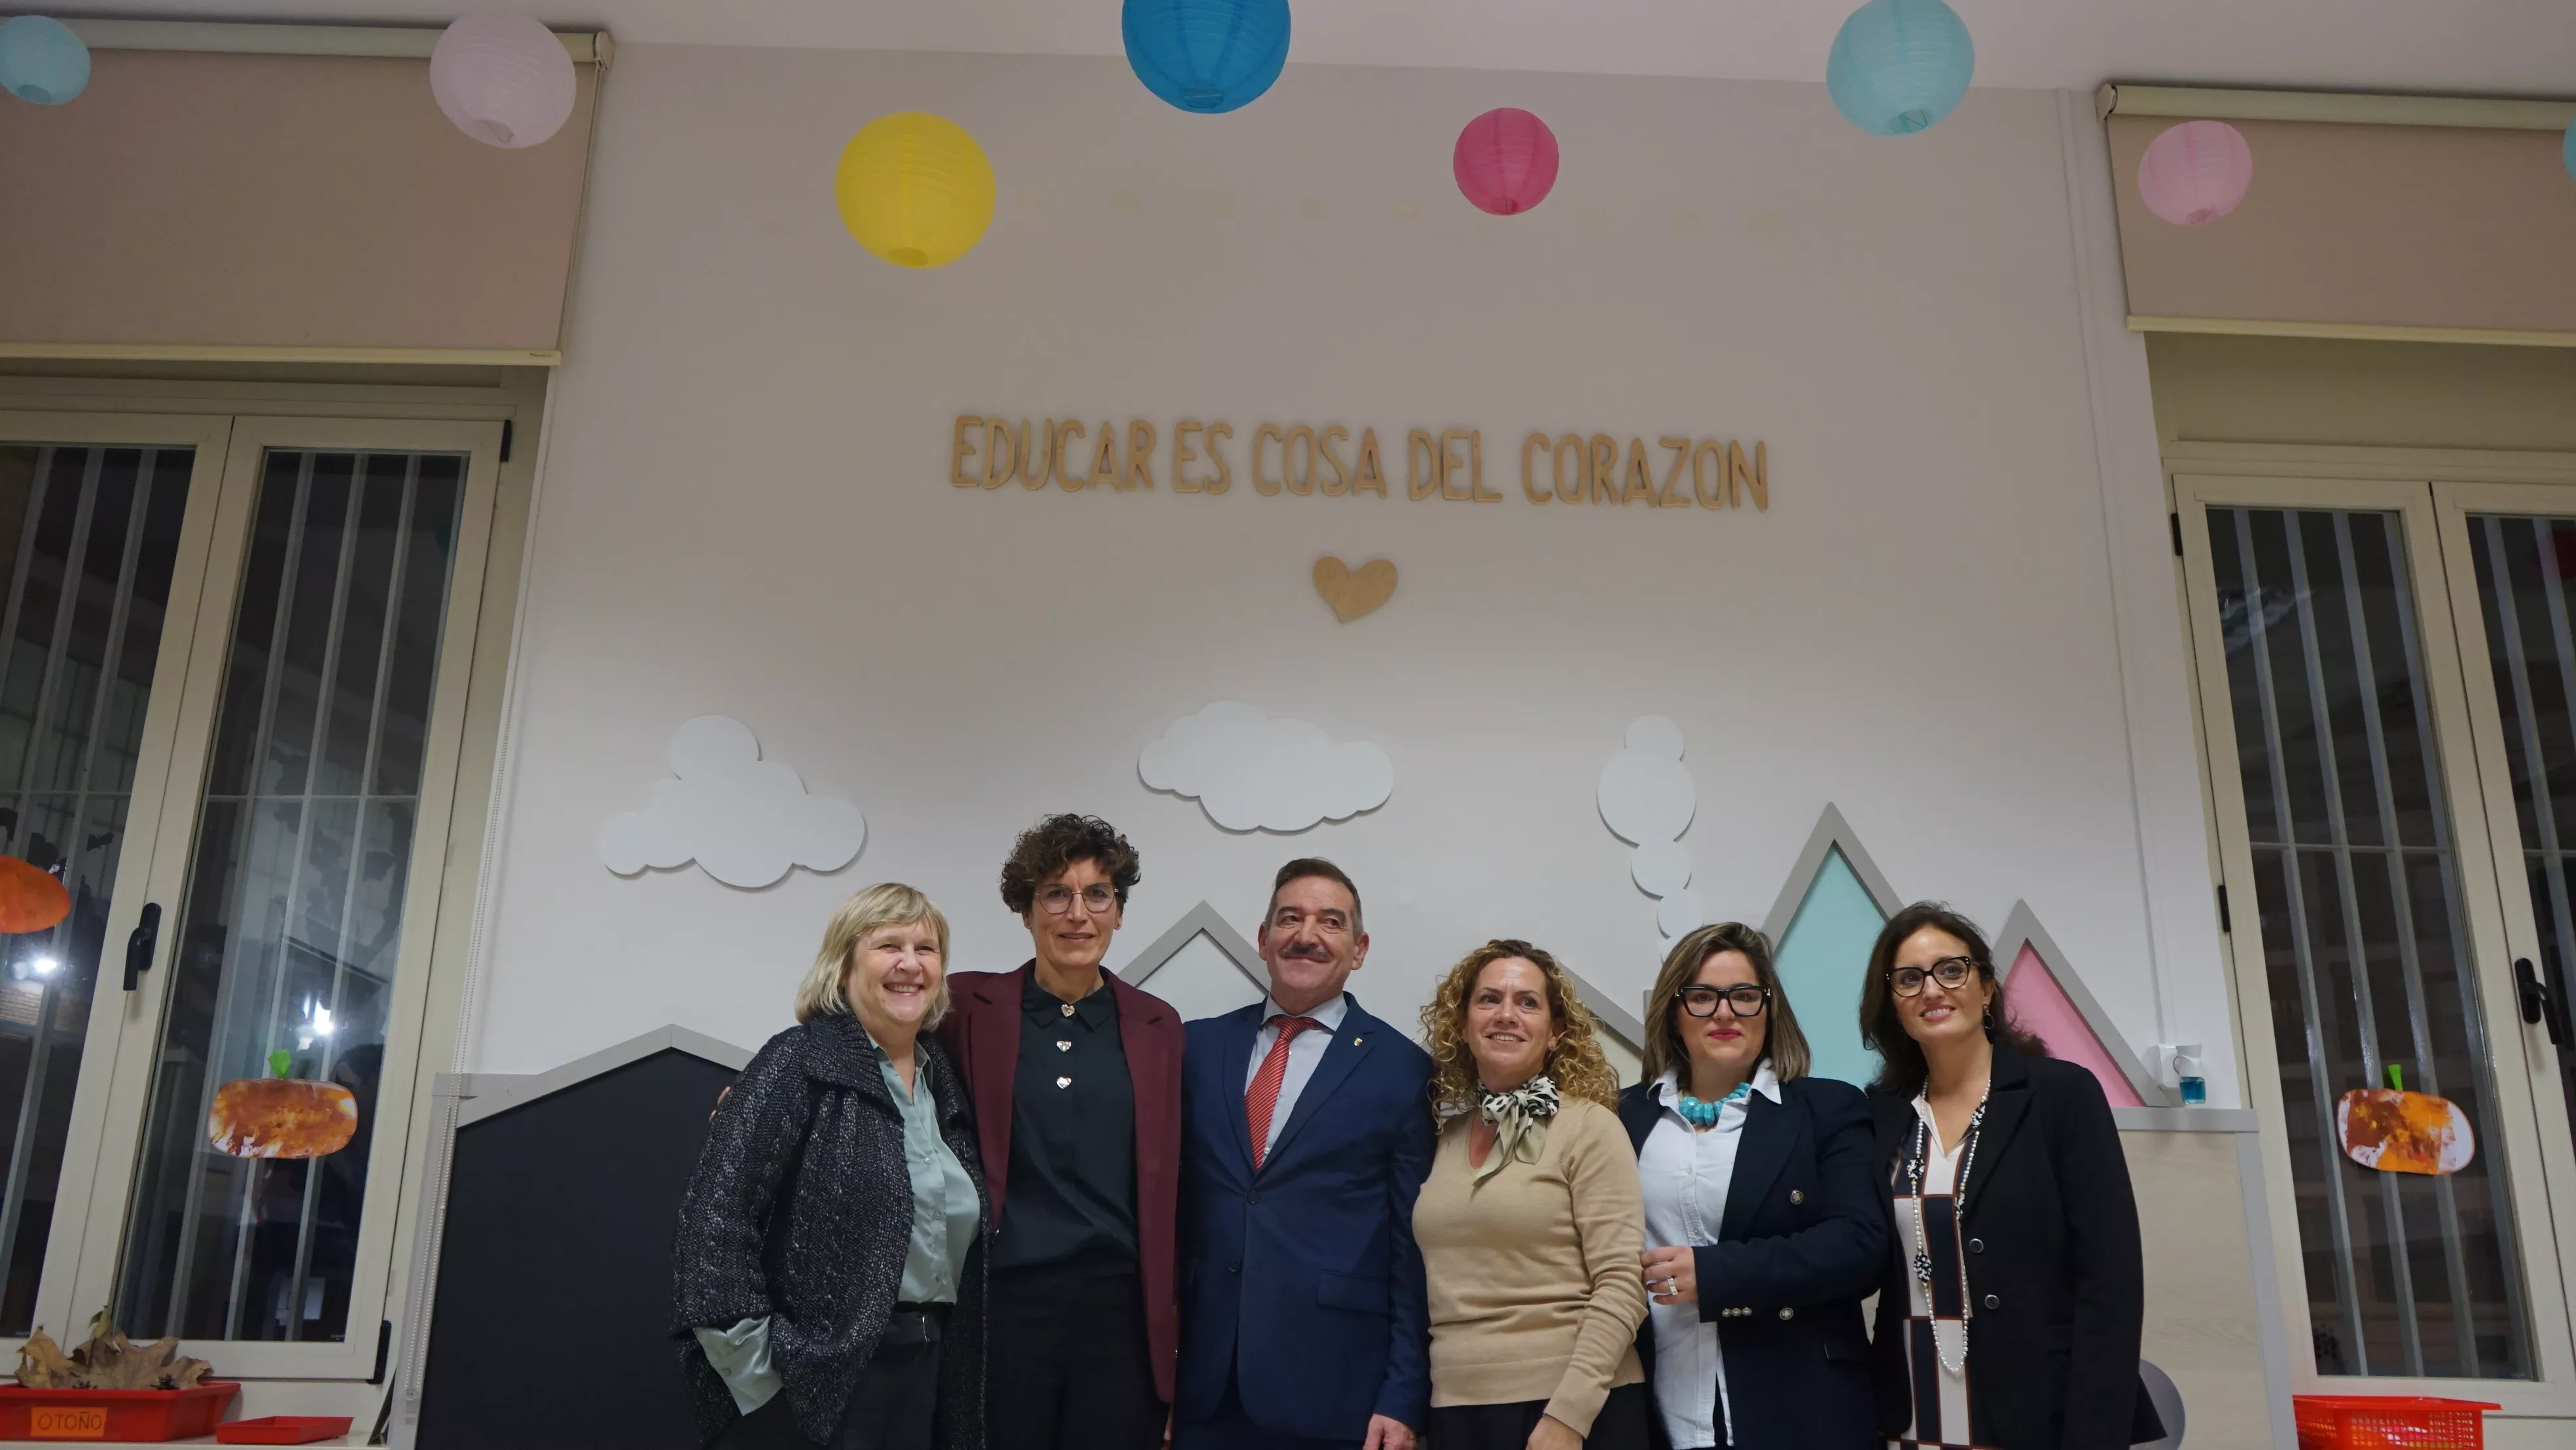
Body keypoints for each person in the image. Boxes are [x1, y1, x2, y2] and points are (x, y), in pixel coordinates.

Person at [673, 883, 986, 1450]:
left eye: (927, 948)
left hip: (928, 1373)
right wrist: (760, 1382)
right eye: (888, 945)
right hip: (815, 1380)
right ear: (843, 966)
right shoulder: (798, 1061)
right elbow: (715, 1224)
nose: (910, 964)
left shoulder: (947, 1081)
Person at [1859, 903, 2162, 1450]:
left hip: (2035, 1412)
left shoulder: (2061, 1096)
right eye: (1909, 979)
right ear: (1894, 1006)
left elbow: (2111, 1284)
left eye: (1951, 970)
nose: (1932, 989)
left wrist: (2094, 1433)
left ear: (1986, 988)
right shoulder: (1882, 1116)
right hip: (1910, 1416)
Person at [937, 815, 1185, 1450]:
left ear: (1119, 911)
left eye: (1097, 893)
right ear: (1027, 911)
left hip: (1119, 1313)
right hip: (1007, 1303)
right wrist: (764, 1085)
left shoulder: (1159, 1026)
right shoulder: (967, 1007)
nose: (1078, 913)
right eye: (1056, 892)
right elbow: (865, 1023)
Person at [1174, 858, 1434, 1450]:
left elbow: (1412, 1249)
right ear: (1264, 939)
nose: (1307, 935)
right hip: (1205, 1387)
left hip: (1338, 1390)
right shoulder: (1196, 1047)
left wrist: (1403, 1395)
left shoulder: (1403, 1070)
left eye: (1330, 922)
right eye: (1289, 918)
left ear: (1359, 947)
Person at [1616, 923, 1883, 1450]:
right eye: (1702, 997)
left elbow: (1861, 1246)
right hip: (1660, 1404)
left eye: (1743, 996)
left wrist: (1715, 1274)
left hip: (1799, 1402)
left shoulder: (1827, 1109)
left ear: (1769, 1008)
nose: (1724, 1013)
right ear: (1674, 1011)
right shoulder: (1621, 1116)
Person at [1412, 940, 1649, 1450]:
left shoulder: (1591, 1128)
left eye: (1527, 1002)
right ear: (1461, 1024)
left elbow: (1623, 1284)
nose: (1506, 1015)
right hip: (1455, 1413)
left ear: (1555, 1031)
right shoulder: (1442, 1139)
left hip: (1571, 1411)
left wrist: (1570, 1415)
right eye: (1489, 999)